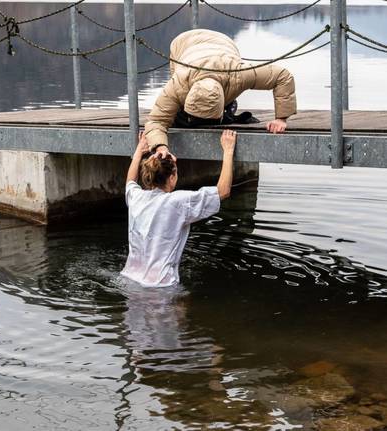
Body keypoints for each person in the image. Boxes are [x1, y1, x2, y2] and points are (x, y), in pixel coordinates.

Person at [144, 29, 296, 156]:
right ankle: (189, 112)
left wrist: (281, 118)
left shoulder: (239, 74)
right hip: (182, 45)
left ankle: (226, 106)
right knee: (175, 112)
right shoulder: (177, 84)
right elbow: (156, 120)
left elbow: (282, 76)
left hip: (224, 44)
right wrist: (160, 147)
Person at [120, 130, 237, 287]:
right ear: (172, 177)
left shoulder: (137, 198)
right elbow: (223, 191)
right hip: (161, 286)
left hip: (130, 280)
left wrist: (139, 151)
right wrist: (228, 151)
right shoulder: (178, 202)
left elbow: (130, 181)